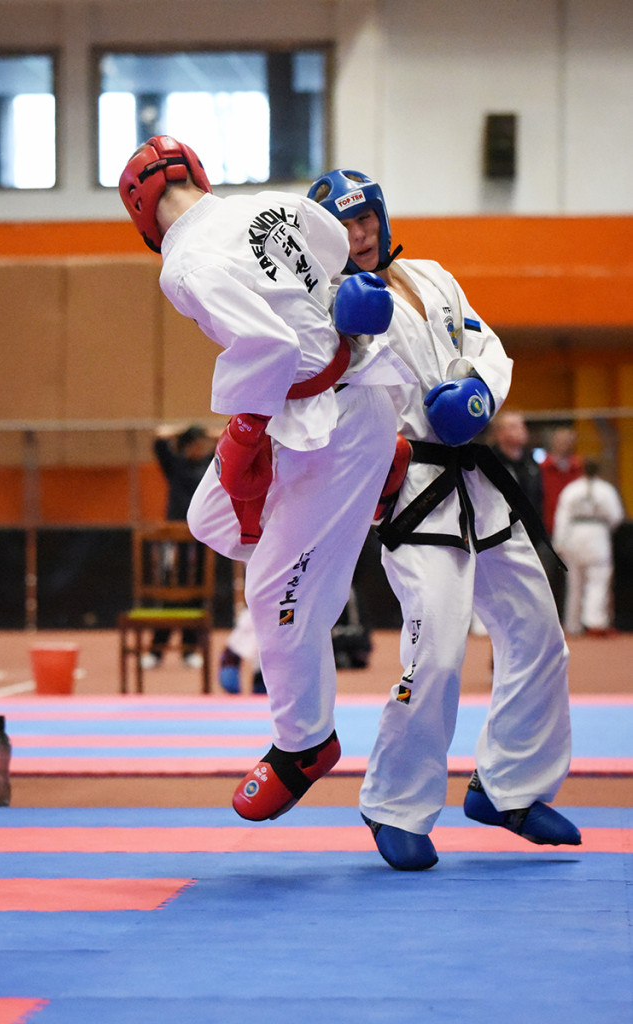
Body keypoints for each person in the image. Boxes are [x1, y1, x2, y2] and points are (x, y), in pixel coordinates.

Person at [119, 136, 413, 823]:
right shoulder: (267, 204)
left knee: (273, 595)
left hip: (330, 422)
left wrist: (245, 428)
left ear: (140, 213)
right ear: (197, 175)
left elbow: (269, 343)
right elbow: (334, 252)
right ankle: (343, 525)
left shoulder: (184, 263)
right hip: (329, 405)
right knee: (210, 517)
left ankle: (304, 744)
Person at [308, 168, 581, 870]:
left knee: (540, 636)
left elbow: (485, 346)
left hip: (480, 485)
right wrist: (341, 329)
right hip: (412, 489)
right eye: (344, 227)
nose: (359, 234)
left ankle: (510, 787)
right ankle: (394, 804)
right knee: (435, 650)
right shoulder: (322, 305)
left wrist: (478, 395)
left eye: (366, 219)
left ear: (382, 219)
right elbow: (318, 389)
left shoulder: (433, 276)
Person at [142, 423, 215, 670]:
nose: (198, 449)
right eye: (194, 444)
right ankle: (156, 651)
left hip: (201, 541)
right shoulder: (175, 466)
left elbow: (224, 446)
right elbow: (159, 443)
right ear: (185, 447)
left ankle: (189, 649)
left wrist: (210, 433)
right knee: (170, 595)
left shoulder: (210, 466)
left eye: (201, 444)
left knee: (196, 596)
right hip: (174, 541)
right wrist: (179, 430)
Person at [553, 459, 625, 636]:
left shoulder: (571, 489)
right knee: (597, 579)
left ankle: (573, 624)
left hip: (574, 535)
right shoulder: (606, 490)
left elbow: (562, 517)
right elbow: (616, 516)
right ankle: (595, 621)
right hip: (597, 534)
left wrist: (559, 543)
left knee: (574, 583)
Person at [539, 425, 584, 619]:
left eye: (569, 440)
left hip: (574, 533)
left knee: (574, 580)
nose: (565, 444)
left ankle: (571, 620)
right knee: (544, 577)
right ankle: (544, 619)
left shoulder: (579, 468)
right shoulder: (542, 468)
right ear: (553, 442)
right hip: (546, 530)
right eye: (561, 440)